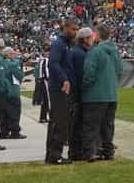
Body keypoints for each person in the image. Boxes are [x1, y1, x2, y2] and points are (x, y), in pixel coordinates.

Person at [81, 25, 123, 162]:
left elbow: (89, 73)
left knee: (92, 125)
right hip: (111, 94)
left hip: (95, 95)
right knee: (108, 125)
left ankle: (90, 152)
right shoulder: (115, 51)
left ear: (97, 36)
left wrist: (83, 88)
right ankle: (108, 151)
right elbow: (120, 72)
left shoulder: (95, 51)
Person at [45, 19, 79, 165]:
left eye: (77, 29)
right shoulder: (59, 44)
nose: (75, 32)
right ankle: (55, 155)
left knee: (58, 121)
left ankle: (52, 154)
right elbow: (53, 63)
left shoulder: (67, 44)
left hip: (63, 87)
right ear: (65, 28)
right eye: (73, 29)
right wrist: (64, 79)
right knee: (59, 121)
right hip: (59, 88)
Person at [68, 28, 93, 160]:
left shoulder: (78, 52)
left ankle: (76, 151)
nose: (92, 40)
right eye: (90, 38)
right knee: (78, 123)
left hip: (76, 93)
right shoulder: (80, 54)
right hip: (78, 94)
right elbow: (82, 76)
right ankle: (76, 152)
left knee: (77, 123)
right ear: (84, 39)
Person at [0, 47, 25, 140]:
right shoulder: (13, 64)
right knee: (15, 112)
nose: (15, 55)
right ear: (9, 54)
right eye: (13, 53)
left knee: (4, 113)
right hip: (13, 90)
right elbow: (20, 75)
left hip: (3, 91)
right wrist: (18, 63)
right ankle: (15, 132)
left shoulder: (1, 62)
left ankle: (4, 132)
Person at [34, 43, 51, 123]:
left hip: (41, 81)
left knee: (44, 100)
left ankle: (43, 117)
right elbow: (46, 71)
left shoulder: (41, 60)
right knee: (48, 100)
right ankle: (50, 116)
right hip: (45, 81)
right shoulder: (45, 60)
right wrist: (49, 78)